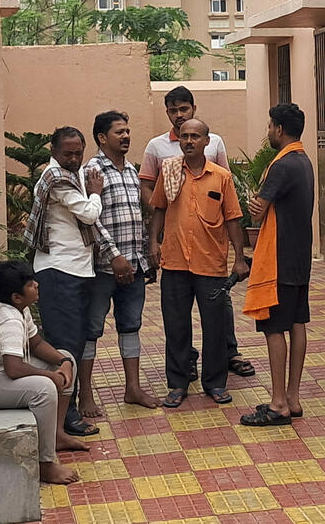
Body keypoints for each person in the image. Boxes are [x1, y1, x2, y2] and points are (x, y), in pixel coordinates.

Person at [139, 85, 253, 379]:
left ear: (206, 141)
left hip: (210, 258)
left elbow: (232, 216)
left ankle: (215, 382)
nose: (188, 139)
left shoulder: (221, 174)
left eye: (194, 136)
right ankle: (177, 382)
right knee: (176, 324)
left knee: (215, 323)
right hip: (175, 258)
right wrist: (154, 242)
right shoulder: (168, 165)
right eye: (184, 136)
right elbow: (159, 205)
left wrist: (240, 257)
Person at [0, 261, 88, 485]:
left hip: (0, 374)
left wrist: (64, 361)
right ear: (16, 297)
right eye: (31, 285)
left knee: (66, 357)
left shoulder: (20, 309)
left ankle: (56, 435)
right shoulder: (9, 319)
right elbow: (14, 368)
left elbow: (36, 343)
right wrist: (52, 377)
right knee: (44, 389)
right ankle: (44, 465)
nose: (37, 285)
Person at [77, 111, 159, 418]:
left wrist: (144, 252)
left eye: (127, 131)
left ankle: (133, 389)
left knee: (131, 326)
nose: (126, 136)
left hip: (133, 265)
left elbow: (138, 216)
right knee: (91, 329)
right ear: (102, 138)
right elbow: (90, 218)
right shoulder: (92, 171)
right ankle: (85, 396)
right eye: (119, 132)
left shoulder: (131, 170)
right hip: (102, 267)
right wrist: (114, 256)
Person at [24, 125, 103, 437]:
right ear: (53, 152)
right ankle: (64, 419)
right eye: (67, 153)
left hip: (78, 269)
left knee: (77, 342)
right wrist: (95, 192)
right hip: (58, 271)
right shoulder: (56, 178)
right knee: (64, 346)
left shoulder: (73, 175)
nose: (73, 158)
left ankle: (63, 414)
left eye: (78, 153)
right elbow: (88, 214)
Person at [239, 103, 315, 426]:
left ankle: (279, 402)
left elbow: (258, 210)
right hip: (299, 257)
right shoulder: (304, 160)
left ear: (280, 129)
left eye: (270, 125)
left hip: (278, 260)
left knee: (274, 328)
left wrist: (254, 202)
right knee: (298, 324)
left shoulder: (281, 165)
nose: (268, 131)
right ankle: (293, 398)